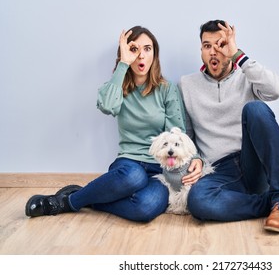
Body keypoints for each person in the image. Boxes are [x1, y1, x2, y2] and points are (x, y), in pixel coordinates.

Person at [25, 26, 196, 222]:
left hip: (160, 168)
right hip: (129, 163)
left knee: (145, 208)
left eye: (148, 49)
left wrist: (193, 158)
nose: (141, 55)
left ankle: (89, 197)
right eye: (134, 49)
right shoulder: (117, 87)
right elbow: (107, 106)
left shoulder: (167, 89)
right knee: (134, 177)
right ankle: (66, 202)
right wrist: (123, 64)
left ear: (154, 54)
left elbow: (178, 133)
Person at [179, 20, 279, 233]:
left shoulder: (246, 76)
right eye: (207, 46)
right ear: (201, 49)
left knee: (255, 109)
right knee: (198, 202)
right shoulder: (187, 84)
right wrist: (195, 158)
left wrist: (239, 56)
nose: (214, 52)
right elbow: (187, 135)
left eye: (220, 45)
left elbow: (276, 90)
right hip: (219, 170)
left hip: (252, 163)